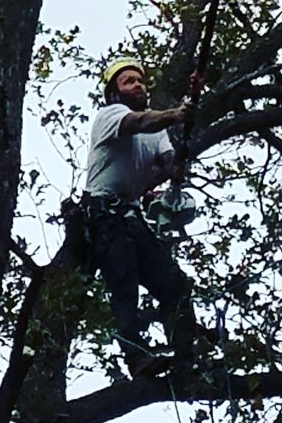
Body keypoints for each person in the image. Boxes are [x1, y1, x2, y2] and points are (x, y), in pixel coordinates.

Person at [80, 56, 197, 377]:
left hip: (131, 216)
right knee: (124, 280)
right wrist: (176, 115)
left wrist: (180, 156)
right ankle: (137, 358)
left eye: (140, 80)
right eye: (128, 81)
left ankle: (187, 353)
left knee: (173, 284)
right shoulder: (111, 116)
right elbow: (141, 123)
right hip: (103, 214)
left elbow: (169, 164)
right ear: (114, 93)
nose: (137, 85)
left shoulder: (157, 131)